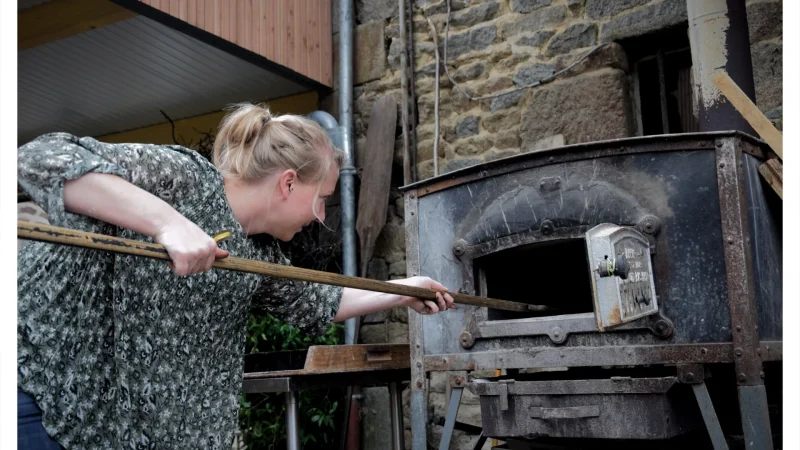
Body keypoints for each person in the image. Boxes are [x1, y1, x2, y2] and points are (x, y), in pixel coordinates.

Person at [17, 103, 455, 449]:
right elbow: (41, 159)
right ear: (287, 184)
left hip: (112, 432)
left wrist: (403, 290)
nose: (321, 217)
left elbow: (323, 302)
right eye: (321, 199)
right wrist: (167, 223)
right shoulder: (185, 179)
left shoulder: (255, 251)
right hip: (43, 394)